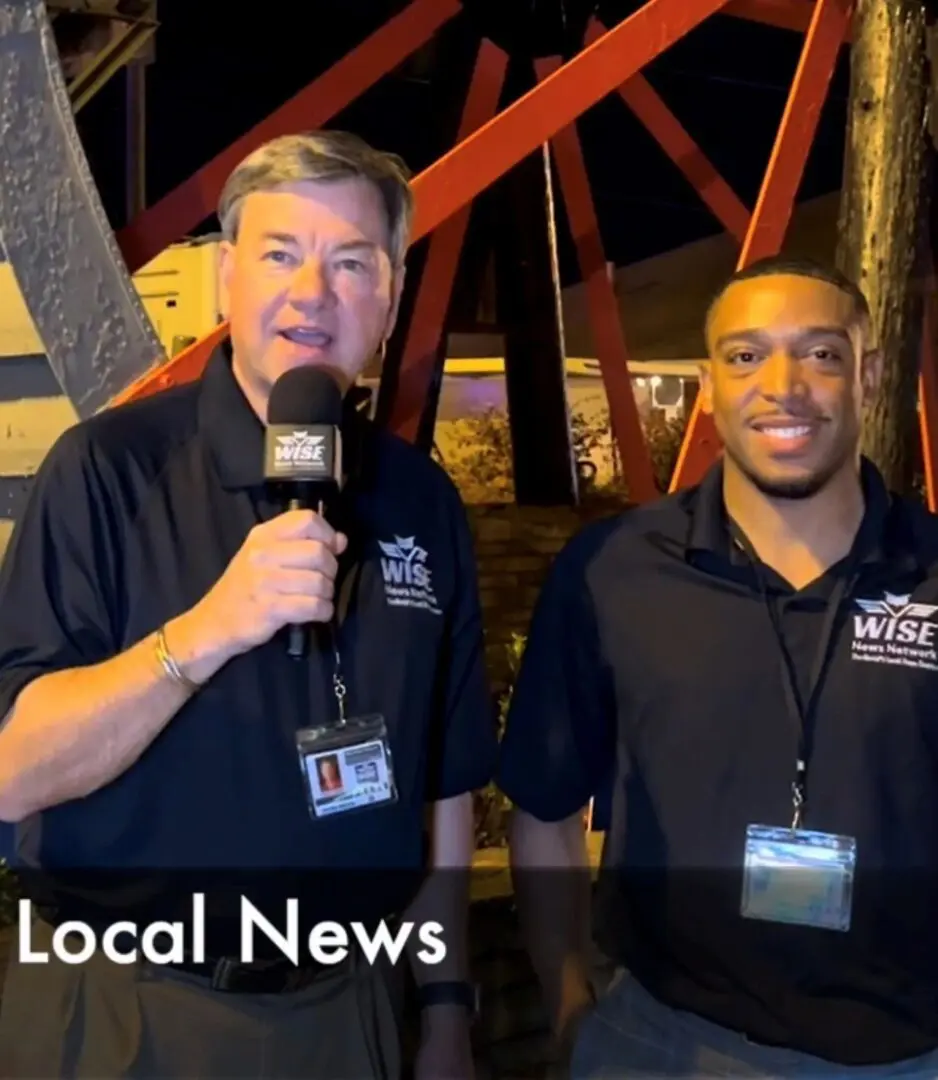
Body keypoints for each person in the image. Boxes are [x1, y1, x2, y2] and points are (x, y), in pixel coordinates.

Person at [0, 130, 495, 1079]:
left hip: (346, 1015)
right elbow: (17, 772)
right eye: (280, 254)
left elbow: (445, 787)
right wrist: (203, 633)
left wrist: (443, 1011)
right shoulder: (108, 471)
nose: (313, 293)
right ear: (228, 274)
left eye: (352, 262)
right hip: (122, 1016)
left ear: (389, 295)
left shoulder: (421, 502)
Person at [499, 255, 938, 1077]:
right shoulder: (614, 570)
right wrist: (569, 1007)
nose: (782, 385)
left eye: (820, 353)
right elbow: (546, 806)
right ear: (712, 382)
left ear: (870, 375)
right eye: (745, 356)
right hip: (666, 1042)